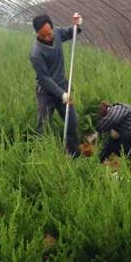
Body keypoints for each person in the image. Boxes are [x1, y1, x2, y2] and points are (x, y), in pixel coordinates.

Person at [30, 12, 83, 157]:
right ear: (37, 33)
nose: (47, 37)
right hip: (46, 92)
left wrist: (76, 25)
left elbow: (69, 33)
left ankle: (73, 155)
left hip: (63, 86)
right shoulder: (36, 53)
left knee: (71, 122)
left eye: (49, 33)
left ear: (52, 28)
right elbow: (44, 78)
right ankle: (43, 156)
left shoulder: (57, 34)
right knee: (44, 127)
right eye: (43, 35)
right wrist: (61, 94)